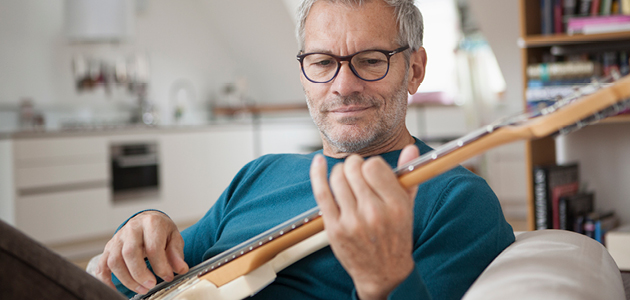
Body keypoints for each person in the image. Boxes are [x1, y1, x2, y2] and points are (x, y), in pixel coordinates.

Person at [93, 0, 515, 299]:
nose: (344, 85)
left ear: (415, 69)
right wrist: (145, 225)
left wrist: (384, 282)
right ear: (302, 73)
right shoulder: (259, 175)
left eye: (370, 61)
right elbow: (141, 277)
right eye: (322, 62)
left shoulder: (456, 200)